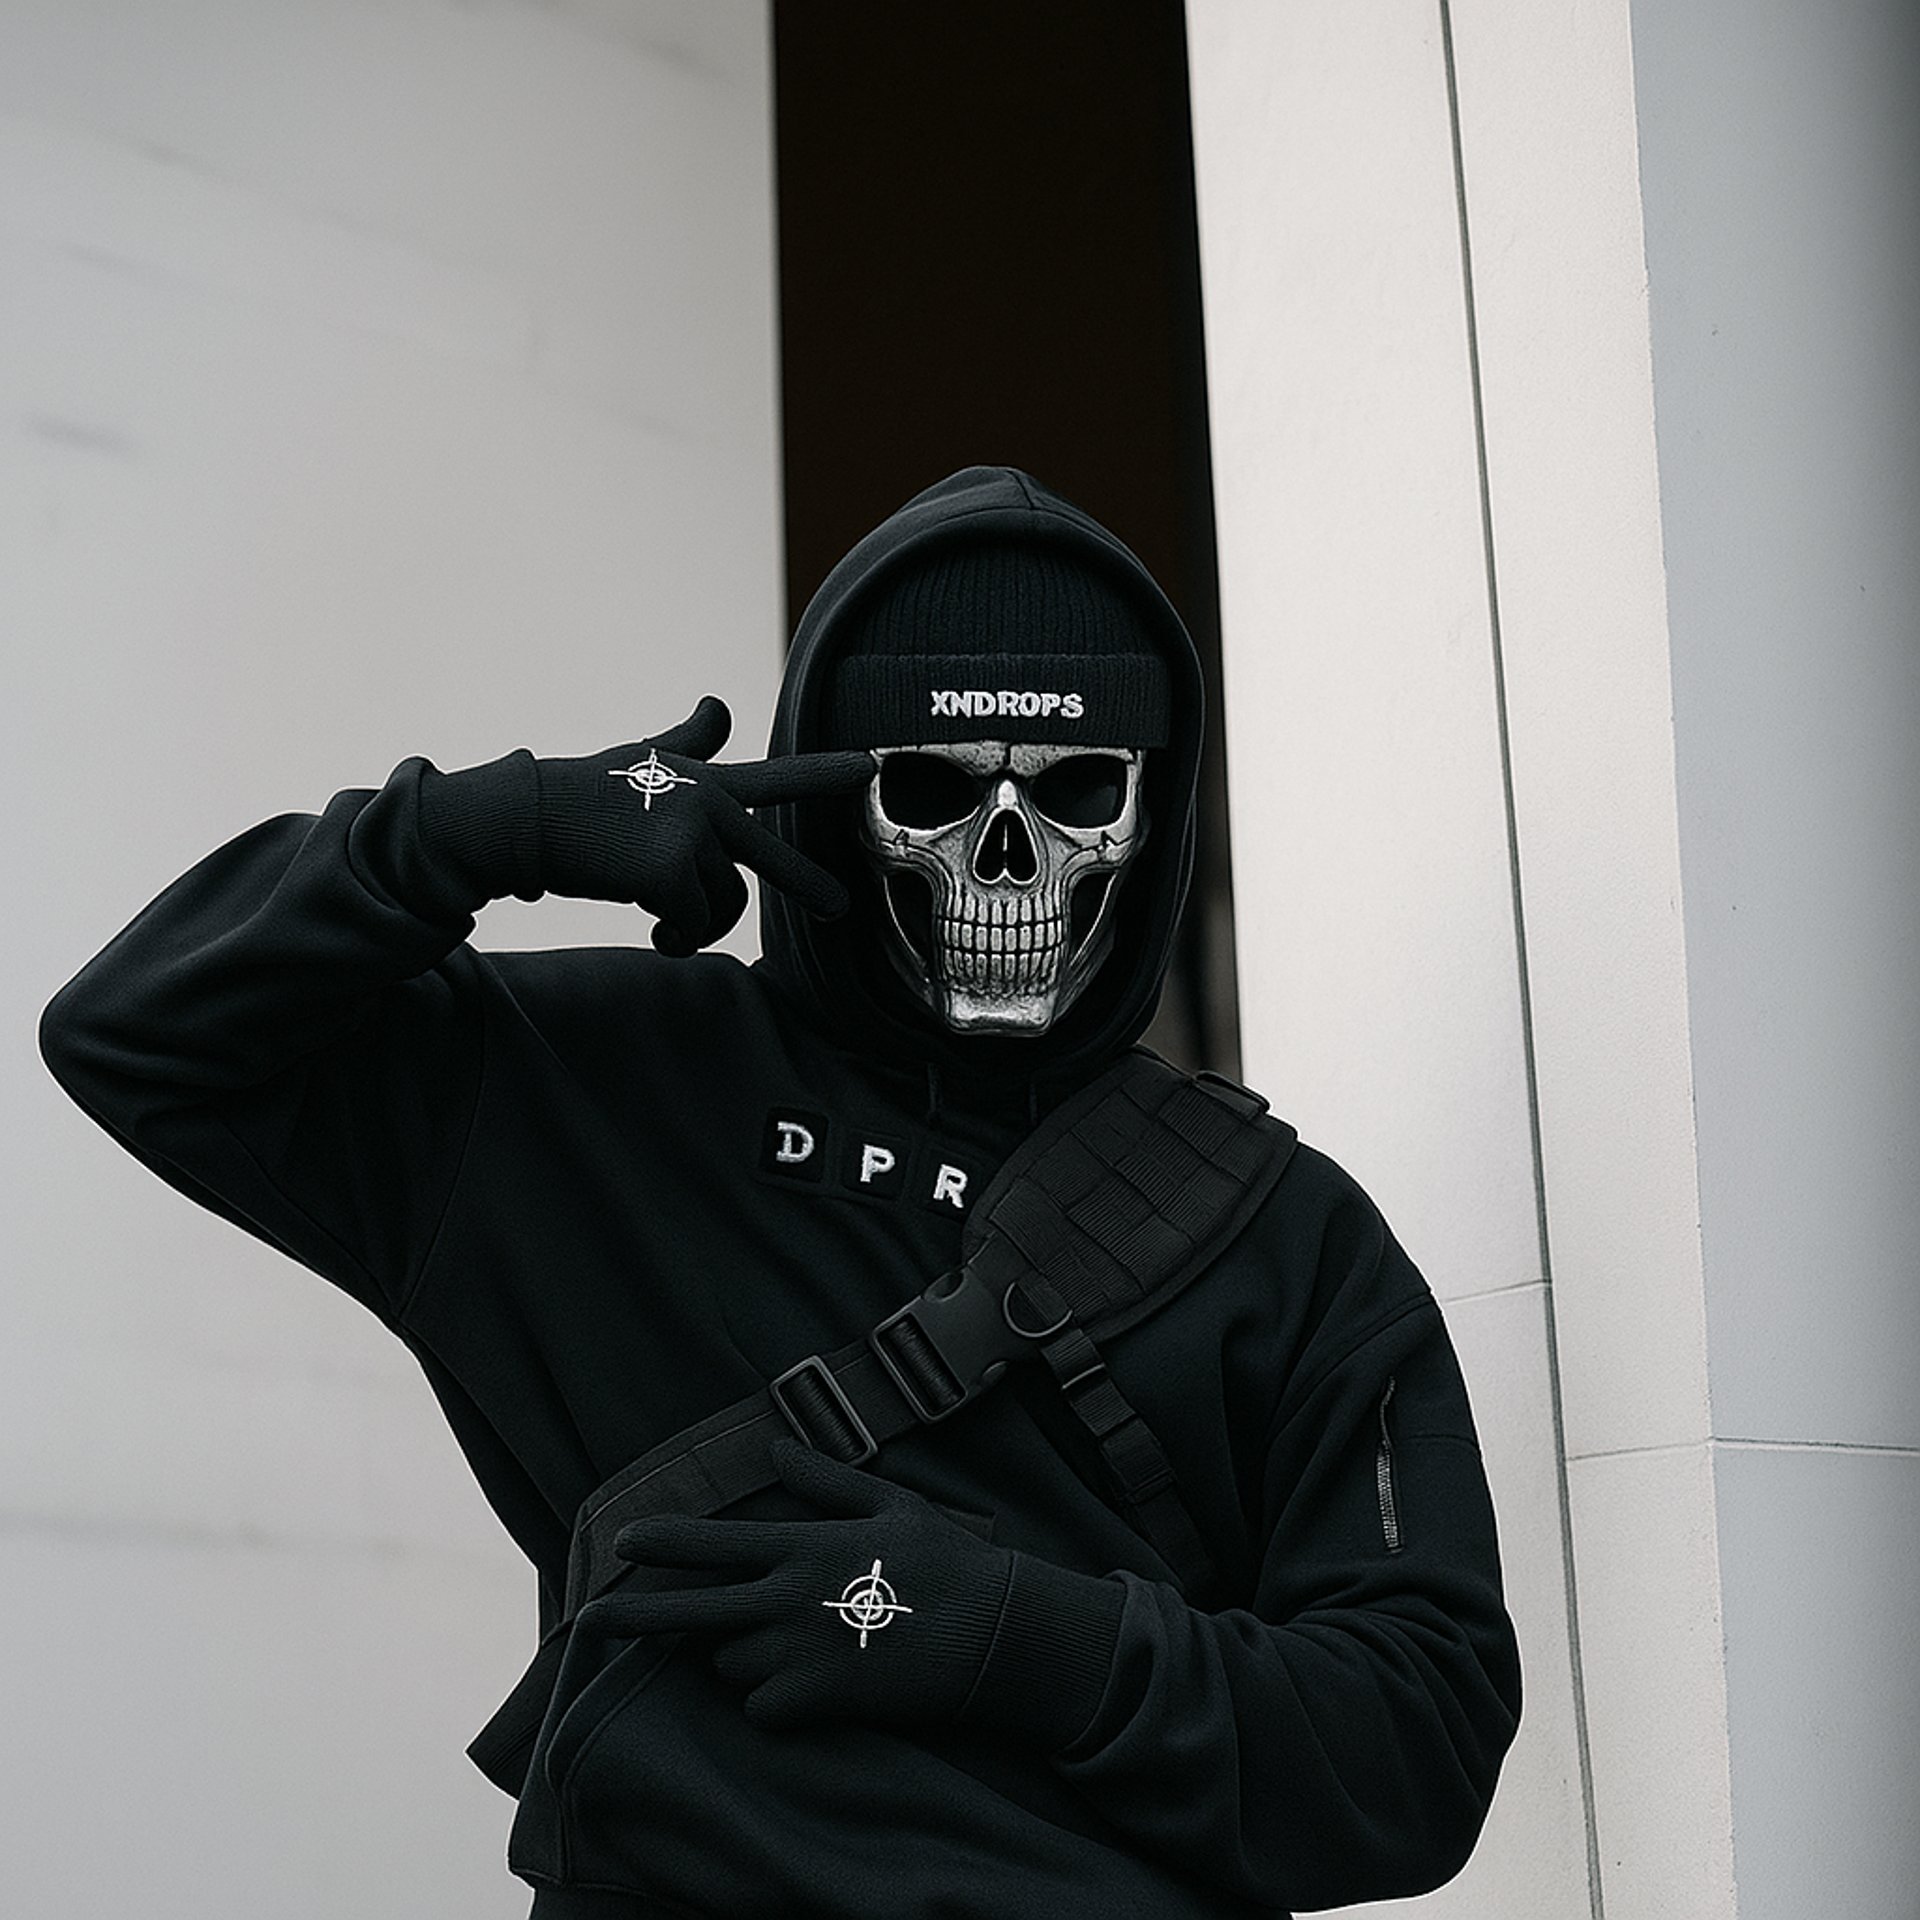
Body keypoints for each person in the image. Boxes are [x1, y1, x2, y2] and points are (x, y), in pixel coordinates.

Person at [39, 466, 1521, 1917]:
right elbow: (139, 1034)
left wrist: (1021, 1636)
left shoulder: (1279, 1228)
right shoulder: (590, 1084)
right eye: (932, 794)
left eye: (1077, 794)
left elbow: (1419, 1740)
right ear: (834, 794)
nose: (1007, 858)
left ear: (1157, 810)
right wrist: (482, 829)